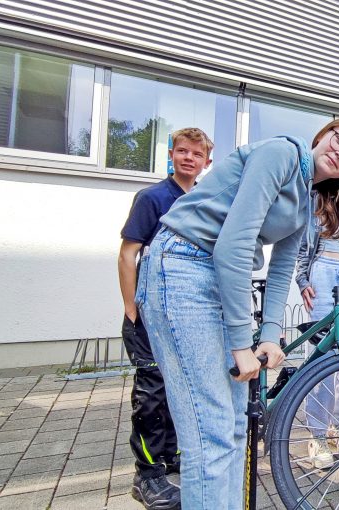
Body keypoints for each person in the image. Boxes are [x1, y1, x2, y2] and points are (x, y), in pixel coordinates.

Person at [137, 117, 339, 509]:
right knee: (211, 433)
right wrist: (240, 343)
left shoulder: (308, 196)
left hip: (214, 277)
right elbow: (233, 245)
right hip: (182, 266)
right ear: (324, 135)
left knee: (234, 427)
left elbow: (282, 267)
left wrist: (269, 334)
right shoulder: (281, 154)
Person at [118, 127, 213, 510]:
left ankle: (171, 455)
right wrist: (131, 306)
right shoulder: (153, 198)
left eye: (196, 154)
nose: (189, 158)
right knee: (153, 393)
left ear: (207, 161)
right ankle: (147, 475)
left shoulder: (204, 201)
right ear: (171, 154)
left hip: (184, 315)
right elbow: (128, 254)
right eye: (182, 151)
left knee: (179, 387)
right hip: (148, 314)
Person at [293, 201, 339, 469]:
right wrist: (302, 280)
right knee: (321, 357)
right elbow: (301, 245)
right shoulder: (318, 203)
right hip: (322, 273)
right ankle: (317, 434)